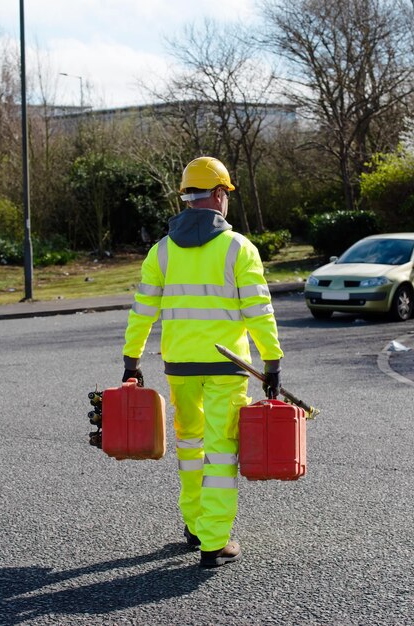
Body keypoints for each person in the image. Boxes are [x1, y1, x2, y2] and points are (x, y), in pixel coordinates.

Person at [122, 156, 284, 568]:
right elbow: (259, 312)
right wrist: (272, 363)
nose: (226, 200)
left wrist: (131, 360)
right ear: (216, 195)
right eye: (225, 193)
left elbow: (142, 311)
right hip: (227, 369)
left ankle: (194, 525)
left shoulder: (160, 251)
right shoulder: (238, 249)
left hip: (179, 366)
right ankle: (214, 542)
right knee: (221, 452)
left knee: (191, 448)